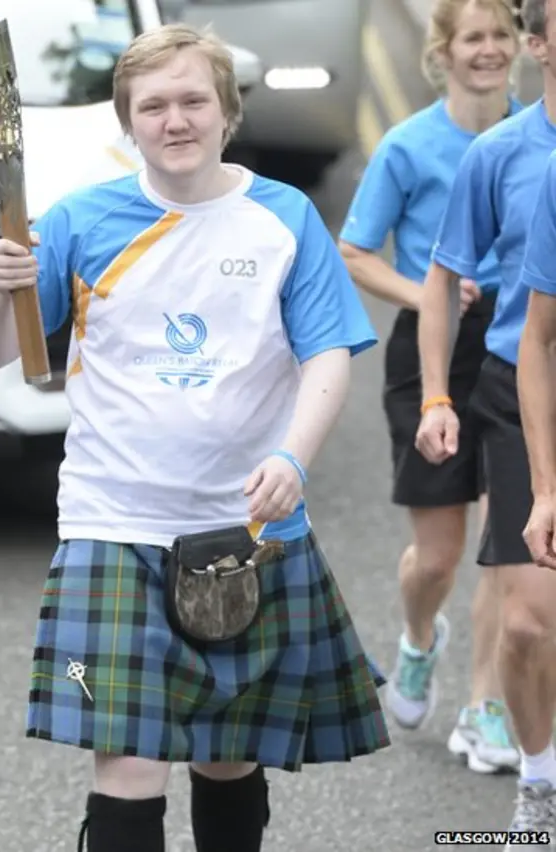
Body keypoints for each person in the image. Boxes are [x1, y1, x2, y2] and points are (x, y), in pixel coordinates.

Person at [0, 22, 390, 852]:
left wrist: (293, 457)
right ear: (129, 123)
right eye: (152, 105)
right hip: (113, 523)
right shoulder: (81, 219)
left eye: (193, 100)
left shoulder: (283, 218)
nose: (174, 119)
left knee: (229, 757)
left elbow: (329, 353)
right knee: (127, 764)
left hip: (246, 532)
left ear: (227, 112)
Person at [338, 0, 521, 773]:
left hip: (518, 349)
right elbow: (355, 251)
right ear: (442, 53)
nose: (488, 51)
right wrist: (427, 294)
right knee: (439, 556)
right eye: (472, 38)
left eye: (501, 37)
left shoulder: (533, 138)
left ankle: (486, 706)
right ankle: (419, 637)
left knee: (505, 547)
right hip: (431, 350)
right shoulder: (410, 148)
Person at [415, 0, 556, 842]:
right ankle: (539, 783)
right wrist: (437, 394)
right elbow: (443, 278)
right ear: (538, 47)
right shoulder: (500, 154)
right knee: (527, 619)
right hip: (519, 387)